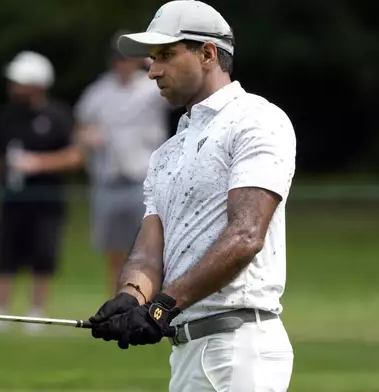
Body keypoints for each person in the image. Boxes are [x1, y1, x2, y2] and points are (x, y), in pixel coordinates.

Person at [88, 1, 297, 391]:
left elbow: (246, 235)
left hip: (239, 345)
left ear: (207, 53)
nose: (152, 71)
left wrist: (163, 304)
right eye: (152, 58)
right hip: (187, 349)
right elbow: (149, 251)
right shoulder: (167, 153)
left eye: (166, 55)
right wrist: (130, 298)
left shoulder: (256, 119)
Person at [0, 51, 82, 333]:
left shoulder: (58, 115)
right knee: (4, 256)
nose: (13, 86)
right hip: (11, 199)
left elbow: (74, 156)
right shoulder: (7, 115)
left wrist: (38, 163)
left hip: (46, 201)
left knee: (43, 255)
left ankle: (36, 312)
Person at [74, 30, 171, 295]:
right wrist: (87, 136)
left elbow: (174, 81)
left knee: (149, 248)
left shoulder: (151, 87)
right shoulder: (98, 92)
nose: (120, 64)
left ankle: (149, 302)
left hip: (144, 180)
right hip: (109, 180)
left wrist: (148, 59)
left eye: (127, 58)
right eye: (117, 58)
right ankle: (118, 302)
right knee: (114, 252)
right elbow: (81, 128)